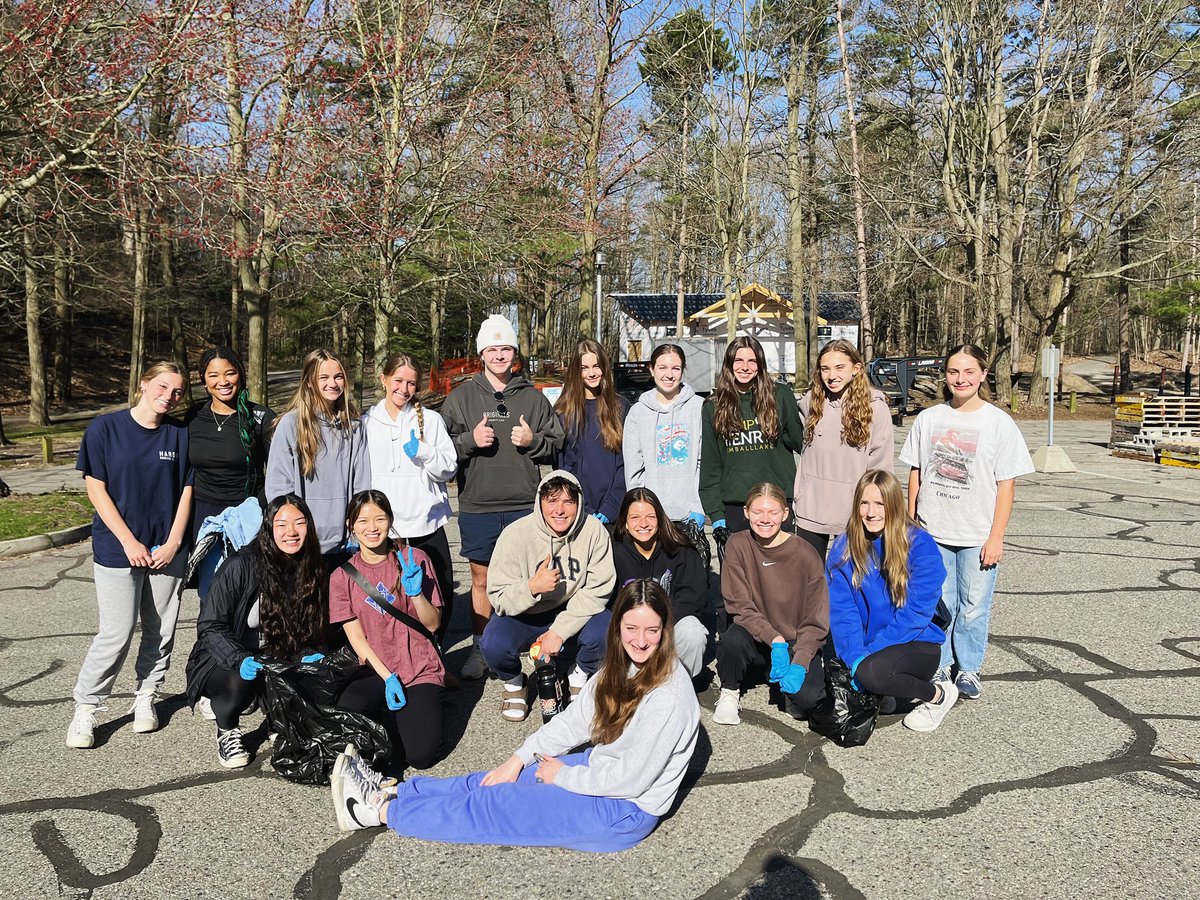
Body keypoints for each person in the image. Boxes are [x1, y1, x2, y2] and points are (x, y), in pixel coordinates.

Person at [330, 579, 700, 853]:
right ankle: (396, 791)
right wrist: (519, 759)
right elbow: (575, 721)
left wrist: (563, 775)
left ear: (665, 631)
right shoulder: (621, 666)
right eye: (631, 628)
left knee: (496, 808)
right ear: (618, 627)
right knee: (493, 781)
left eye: (652, 630)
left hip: (624, 809)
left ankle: (376, 812)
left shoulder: (669, 696)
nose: (640, 640)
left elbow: (630, 779)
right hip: (600, 768)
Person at [66, 362, 194, 749]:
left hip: (166, 550)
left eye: (177, 391)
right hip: (117, 547)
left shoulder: (179, 434)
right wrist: (128, 541)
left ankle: (146, 696)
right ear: (143, 384)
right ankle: (87, 707)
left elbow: (187, 490)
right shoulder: (105, 429)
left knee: (161, 630)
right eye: (162, 386)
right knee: (116, 632)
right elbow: (96, 489)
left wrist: (173, 542)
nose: (169, 396)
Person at [899, 344, 1034, 705]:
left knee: (973, 606)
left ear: (983, 374)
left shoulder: (998, 423)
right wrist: (912, 525)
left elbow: (1006, 485)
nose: (961, 379)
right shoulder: (929, 419)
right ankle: (940, 665)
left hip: (977, 534)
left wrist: (996, 536)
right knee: (939, 604)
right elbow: (916, 473)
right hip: (933, 531)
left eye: (969, 371)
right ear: (945, 375)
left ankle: (969, 668)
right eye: (953, 372)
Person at [440, 315, 564, 680]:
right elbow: (440, 452)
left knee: (532, 578)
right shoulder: (460, 398)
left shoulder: (533, 398)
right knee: (481, 580)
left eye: (505, 348)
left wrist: (533, 441)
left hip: (525, 505)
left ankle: (535, 646)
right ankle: (481, 647)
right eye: (492, 349)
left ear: (514, 353)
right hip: (479, 505)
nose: (499, 355)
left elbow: (556, 444)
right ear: (481, 354)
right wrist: (469, 441)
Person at [184, 494, 328, 768]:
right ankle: (227, 728)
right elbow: (211, 625)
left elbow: (311, 629)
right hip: (225, 658)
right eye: (281, 524)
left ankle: (278, 719)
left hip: (275, 654)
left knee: (313, 673)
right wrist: (238, 658)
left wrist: (309, 653)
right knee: (238, 683)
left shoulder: (312, 567)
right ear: (268, 527)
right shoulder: (242, 564)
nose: (291, 532)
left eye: (299, 523)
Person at [826, 470, 955, 732]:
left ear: (894, 504)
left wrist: (869, 656)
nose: (871, 512)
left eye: (880, 504)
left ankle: (938, 695)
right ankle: (880, 688)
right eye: (864, 503)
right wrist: (854, 657)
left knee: (871, 672)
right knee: (837, 684)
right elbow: (843, 613)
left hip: (916, 642)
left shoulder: (920, 544)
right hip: (870, 648)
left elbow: (916, 613)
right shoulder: (843, 548)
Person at [482, 471, 616, 721]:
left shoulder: (594, 530)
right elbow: (498, 596)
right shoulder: (515, 534)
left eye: (568, 502)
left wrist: (559, 631)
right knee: (492, 644)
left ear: (579, 503)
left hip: (573, 609)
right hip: (526, 613)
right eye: (552, 501)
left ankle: (579, 674)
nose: (560, 510)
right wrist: (532, 587)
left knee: (608, 629)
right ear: (539, 502)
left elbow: (598, 588)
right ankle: (515, 681)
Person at [330, 491, 446, 771]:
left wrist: (416, 594)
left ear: (391, 520)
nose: (372, 527)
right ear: (350, 525)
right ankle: (394, 719)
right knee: (349, 711)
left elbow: (433, 624)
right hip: (375, 669)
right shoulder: (341, 576)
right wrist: (387, 677)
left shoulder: (414, 558)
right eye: (362, 521)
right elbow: (356, 639)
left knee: (421, 756)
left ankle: (422, 708)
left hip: (419, 668)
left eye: (380, 519)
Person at [713, 482, 828, 726]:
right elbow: (739, 605)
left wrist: (801, 660)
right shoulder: (737, 544)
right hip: (757, 636)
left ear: (785, 514)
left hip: (794, 639)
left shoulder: (806, 554)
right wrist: (774, 639)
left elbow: (816, 618)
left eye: (773, 512)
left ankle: (786, 680)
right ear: (746, 512)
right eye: (758, 512)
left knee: (807, 701)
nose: (765, 519)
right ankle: (730, 690)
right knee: (732, 641)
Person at [363, 353, 457, 640]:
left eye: (411, 383)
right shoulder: (367, 423)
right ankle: (396, 651)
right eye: (398, 381)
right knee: (391, 595)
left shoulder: (431, 420)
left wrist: (425, 451)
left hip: (426, 524)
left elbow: (449, 468)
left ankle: (435, 648)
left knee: (439, 590)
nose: (404, 389)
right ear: (383, 379)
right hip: (385, 528)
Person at [184, 346, 275, 597]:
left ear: (241, 376)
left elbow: (279, 473)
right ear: (204, 380)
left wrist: (257, 509)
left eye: (230, 373)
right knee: (210, 596)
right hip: (205, 518)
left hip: (247, 517)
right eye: (213, 375)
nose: (222, 381)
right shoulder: (193, 417)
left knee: (248, 597)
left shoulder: (261, 417)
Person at [266, 349, 371, 564]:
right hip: (302, 544)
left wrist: (356, 527)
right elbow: (279, 489)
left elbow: (361, 484)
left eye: (338, 376)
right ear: (309, 382)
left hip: (343, 544)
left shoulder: (354, 427)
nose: (332, 383)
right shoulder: (290, 425)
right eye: (324, 377)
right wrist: (292, 531)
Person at [792, 339, 893, 561]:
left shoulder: (875, 408)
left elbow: (881, 466)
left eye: (839, 367)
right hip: (811, 508)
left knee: (851, 576)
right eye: (825, 368)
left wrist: (875, 507)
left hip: (853, 512)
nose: (831, 376)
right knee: (809, 576)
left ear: (856, 368)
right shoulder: (810, 403)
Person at [700, 337, 805, 544]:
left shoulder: (780, 396)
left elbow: (803, 444)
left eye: (752, 361)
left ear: (760, 364)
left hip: (777, 502)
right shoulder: (713, 406)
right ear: (729, 364)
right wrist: (716, 515)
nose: (745, 367)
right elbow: (711, 466)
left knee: (779, 565)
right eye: (738, 360)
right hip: (736, 506)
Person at [611, 487, 708, 677]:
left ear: (660, 519)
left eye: (651, 516)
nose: (643, 523)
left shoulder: (680, 549)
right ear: (625, 522)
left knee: (693, 632)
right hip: (629, 631)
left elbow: (693, 597)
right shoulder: (612, 551)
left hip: (668, 625)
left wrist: (659, 627)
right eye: (635, 517)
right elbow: (607, 600)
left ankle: (679, 683)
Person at [623, 343, 705, 529]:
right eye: (662, 367)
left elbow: (704, 462)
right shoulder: (638, 412)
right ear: (652, 370)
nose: (669, 374)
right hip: (652, 516)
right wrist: (641, 509)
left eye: (676, 368)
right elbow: (634, 469)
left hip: (690, 515)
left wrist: (698, 505)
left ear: (683, 371)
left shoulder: (699, 408)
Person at [555, 339, 629, 526]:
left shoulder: (620, 407)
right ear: (575, 371)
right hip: (579, 511)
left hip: (615, 511)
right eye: (584, 368)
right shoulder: (563, 413)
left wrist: (612, 507)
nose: (592, 373)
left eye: (596, 366)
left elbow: (626, 463)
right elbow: (564, 467)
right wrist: (582, 507)